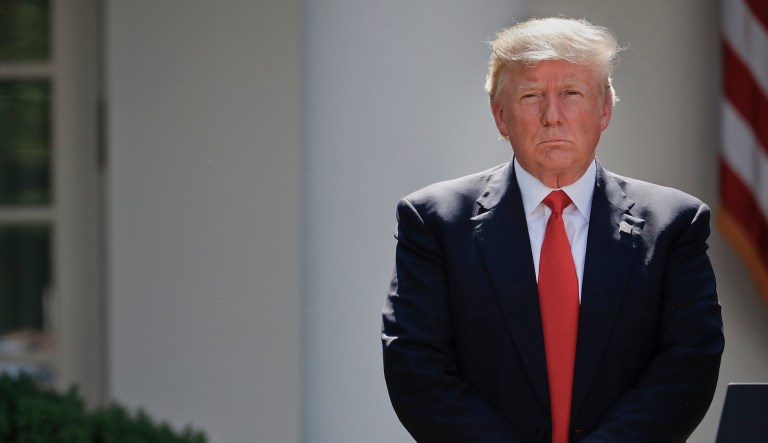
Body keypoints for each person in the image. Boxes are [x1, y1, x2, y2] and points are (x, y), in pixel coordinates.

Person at [381, 16, 724, 443]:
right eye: (531, 96)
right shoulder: (434, 221)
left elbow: (687, 365)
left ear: (604, 110)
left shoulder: (674, 222)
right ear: (500, 116)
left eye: (571, 93)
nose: (552, 116)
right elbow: (417, 369)